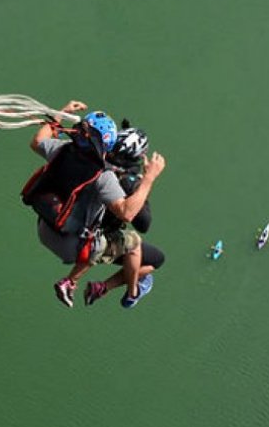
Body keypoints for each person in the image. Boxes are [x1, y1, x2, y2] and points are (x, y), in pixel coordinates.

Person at [26, 101, 166, 308]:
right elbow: (128, 214)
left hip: (45, 228)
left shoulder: (63, 149)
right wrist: (149, 178)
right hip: (71, 246)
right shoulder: (104, 177)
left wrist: (60, 113)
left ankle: (108, 285)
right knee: (134, 243)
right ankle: (73, 282)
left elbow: (38, 141)